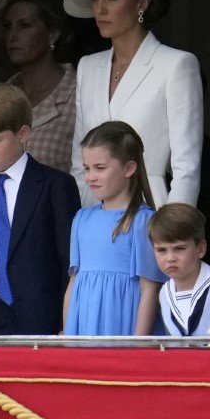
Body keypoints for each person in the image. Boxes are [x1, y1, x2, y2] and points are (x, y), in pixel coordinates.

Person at [63, 0, 204, 209]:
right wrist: (84, 219)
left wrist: (173, 232)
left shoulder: (176, 65)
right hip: (96, 214)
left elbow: (186, 167)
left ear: (142, 2)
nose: (100, 9)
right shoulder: (88, 66)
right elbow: (79, 159)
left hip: (150, 212)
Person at [0, 83, 80, 336]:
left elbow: (70, 264)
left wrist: (67, 325)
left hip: (42, 318)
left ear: (23, 134)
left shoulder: (56, 186)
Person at [62, 121, 165, 336]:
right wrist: (68, 332)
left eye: (100, 168)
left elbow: (150, 289)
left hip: (123, 325)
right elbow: (73, 283)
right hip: (84, 326)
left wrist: (139, 343)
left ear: (129, 168)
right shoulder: (82, 219)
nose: (90, 177)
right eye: (87, 168)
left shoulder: (143, 221)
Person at [0, 0, 77, 174]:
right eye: (7, 27)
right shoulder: (0, 96)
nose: (12, 36)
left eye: (24, 26)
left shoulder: (78, 95)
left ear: (52, 35)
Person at [148, 202, 210, 339]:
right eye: (161, 250)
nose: (170, 258)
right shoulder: (164, 293)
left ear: (200, 249)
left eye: (179, 249)